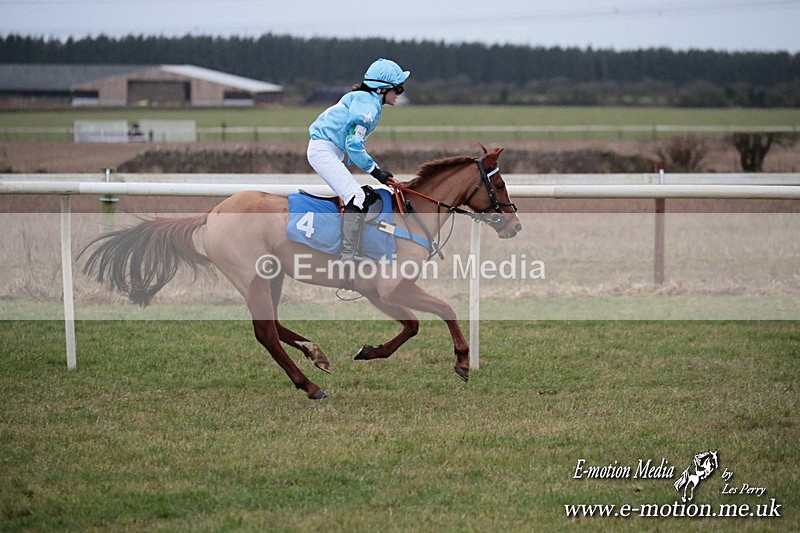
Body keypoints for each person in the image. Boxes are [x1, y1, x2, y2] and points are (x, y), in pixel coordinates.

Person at [307, 58, 410, 262]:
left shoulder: (365, 99)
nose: (400, 94)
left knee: (355, 195)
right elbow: (354, 145)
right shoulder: (367, 106)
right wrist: (375, 171)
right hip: (324, 151)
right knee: (357, 197)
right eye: (398, 89)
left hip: (330, 150)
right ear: (382, 89)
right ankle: (347, 257)